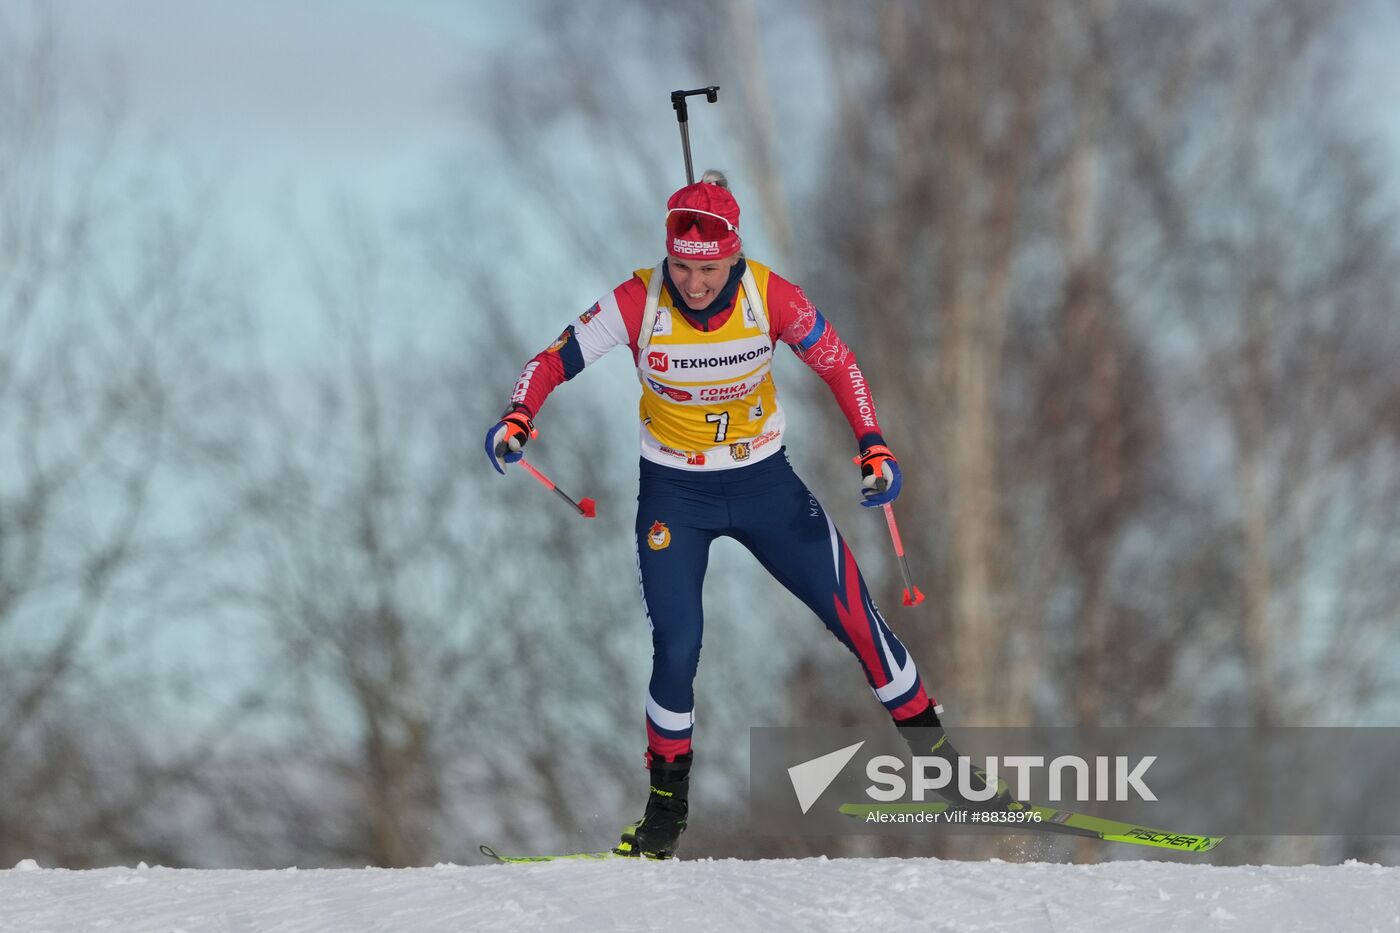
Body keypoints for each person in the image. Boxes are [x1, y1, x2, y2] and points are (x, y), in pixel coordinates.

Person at [486, 171, 1001, 859]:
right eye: (682, 268)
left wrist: (873, 444)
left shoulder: (770, 296)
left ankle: (946, 770)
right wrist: (518, 415)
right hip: (675, 494)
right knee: (677, 646)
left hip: (765, 485)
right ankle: (666, 810)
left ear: (734, 256)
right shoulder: (639, 299)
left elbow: (840, 364)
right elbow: (552, 360)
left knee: (858, 619)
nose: (694, 284)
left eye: (708, 269)